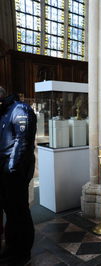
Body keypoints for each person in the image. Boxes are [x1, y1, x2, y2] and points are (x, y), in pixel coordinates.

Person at [0, 87, 37, 265]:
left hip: (14, 173)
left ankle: (22, 253)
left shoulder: (20, 109)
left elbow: (22, 143)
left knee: (19, 213)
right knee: (11, 213)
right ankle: (11, 249)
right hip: (4, 172)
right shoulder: (5, 111)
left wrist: (11, 170)